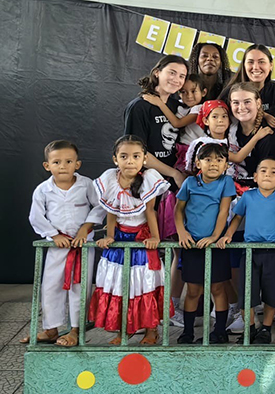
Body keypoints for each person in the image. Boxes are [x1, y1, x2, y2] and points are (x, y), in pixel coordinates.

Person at [89, 136, 170, 345]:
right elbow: (111, 212)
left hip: (141, 240)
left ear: (144, 159)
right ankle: (125, 329)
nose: (130, 161)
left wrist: (155, 237)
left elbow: (151, 211)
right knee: (120, 284)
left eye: (135, 156)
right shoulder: (109, 179)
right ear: (115, 159)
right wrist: (109, 236)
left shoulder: (149, 178)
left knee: (144, 284)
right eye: (124, 156)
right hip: (119, 239)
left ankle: (151, 330)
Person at [25, 140, 104, 346]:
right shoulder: (43, 190)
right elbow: (36, 217)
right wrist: (54, 235)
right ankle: (51, 329)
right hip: (57, 246)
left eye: (68, 161)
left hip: (82, 246)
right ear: (47, 166)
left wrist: (85, 228)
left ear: (77, 164)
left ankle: (75, 330)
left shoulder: (87, 184)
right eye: (57, 162)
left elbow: (99, 208)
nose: (63, 166)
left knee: (80, 286)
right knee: (50, 287)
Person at [217, 158, 275, 345]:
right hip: (250, 251)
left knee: (272, 293)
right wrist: (228, 235)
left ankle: (266, 330)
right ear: (255, 177)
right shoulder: (248, 196)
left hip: (274, 251)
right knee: (247, 294)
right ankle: (251, 329)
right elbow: (237, 217)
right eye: (263, 171)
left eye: (273, 172)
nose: (267, 175)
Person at [175, 141, 235, 344]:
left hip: (215, 245)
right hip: (192, 245)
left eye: (219, 160)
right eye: (207, 159)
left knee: (218, 288)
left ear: (226, 164)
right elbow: (178, 210)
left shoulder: (226, 182)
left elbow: (223, 212)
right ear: (198, 163)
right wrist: (182, 232)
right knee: (193, 290)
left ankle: (219, 331)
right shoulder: (189, 183)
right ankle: (188, 332)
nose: (213, 164)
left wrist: (214, 237)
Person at [123, 55, 188, 192]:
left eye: (182, 76)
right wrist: (174, 173)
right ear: (157, 72)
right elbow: (137, 153)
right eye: (172, 72)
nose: (176, 79)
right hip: (145, 182)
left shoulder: (178, 107)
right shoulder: (139, 107)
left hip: (173, 183)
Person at [226, 83, 275, 190]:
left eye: (247, 102)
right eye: (236, 103)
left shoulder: (268, 136)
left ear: (258, 103)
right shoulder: (228, 128)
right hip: (230, 187)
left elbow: (270, 184)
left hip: (255, 192)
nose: (241, 107)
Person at [143, 74, 207, 172]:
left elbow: (177, 123)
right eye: (183, 92)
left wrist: (160, 103)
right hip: (182, 149)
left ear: (203, 92)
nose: (189, 96)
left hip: (196, 151)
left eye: (193, 91)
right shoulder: (182, 107)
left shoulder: (200, 109)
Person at [222, 44, 275, 115]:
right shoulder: (231, 92)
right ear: (244, 65)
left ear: (271, 65)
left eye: (261, 62)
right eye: (250, 62)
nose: (256, 67)